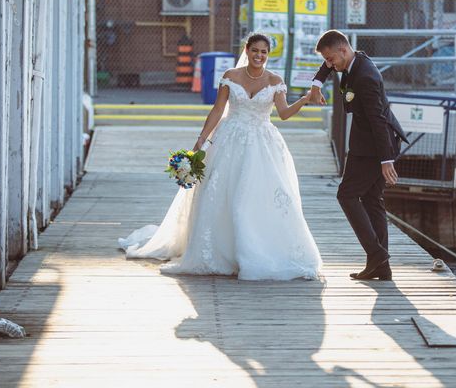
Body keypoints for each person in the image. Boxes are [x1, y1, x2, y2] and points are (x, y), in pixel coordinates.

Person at [118, 33, 322, 281]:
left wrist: (305, 99)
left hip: (262, 143)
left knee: (257, 195)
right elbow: (218, 110)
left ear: (268, 54)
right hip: (229, 139)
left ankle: (256, 250)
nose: (259, 56)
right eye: (255, 50)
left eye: (264, 52)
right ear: (246, 50)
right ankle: (222, 251)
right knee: (223, 193)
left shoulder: (275, 80)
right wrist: (202, 138)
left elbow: (284, 113)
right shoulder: (230, 77)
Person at [309, 30, 408, 281]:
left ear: (343, 51)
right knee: (373, 200)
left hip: (374, 146)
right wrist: (316, 83)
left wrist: (386, 161)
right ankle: (380, 266)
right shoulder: (353, 58)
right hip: (368, 142)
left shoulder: (366, 76)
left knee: (347, 195)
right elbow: (328, 64)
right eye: (327, 61)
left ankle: (377, 254)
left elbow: (377, 119)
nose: (330, 65)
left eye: (331, 59)